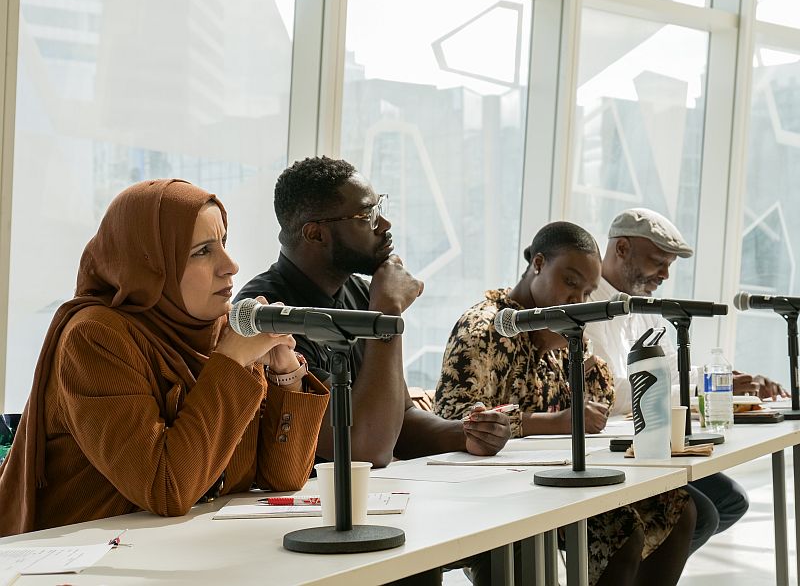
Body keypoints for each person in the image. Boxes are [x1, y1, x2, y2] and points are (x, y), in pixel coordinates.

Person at [0, 179, 329, 537]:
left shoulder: (219, 328)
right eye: (202, 251)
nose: (231, 265)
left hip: (184, 551)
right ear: (152, 264)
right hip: (87, 565)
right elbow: (167, 486)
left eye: (223, 243)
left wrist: (286, 374)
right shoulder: (95, 337)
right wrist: (231, 361)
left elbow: (284, 477)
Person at [435, 221, 695, 586]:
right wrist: (554, 421)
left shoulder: (562, 327)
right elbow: (456, 421)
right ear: (538, 264)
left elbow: (601, 400)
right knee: (623, 531)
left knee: (677, 509)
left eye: (587, 292)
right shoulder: (485, 326)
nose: (577, 300)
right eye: (570, 283)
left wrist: (578, 361)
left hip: (553, 483)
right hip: (493, 489)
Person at [235, 156, 511, 469]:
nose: (384, 225)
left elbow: (401, 419)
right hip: (290, 508)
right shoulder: (267, 314)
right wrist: (388, 311)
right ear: (315, 234)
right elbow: (364, 447)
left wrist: (466, 434)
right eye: (367, 215)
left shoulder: (361, 292)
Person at [584, 207, 751, 554]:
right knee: (701, 515)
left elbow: (671, 375)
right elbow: (609, 396)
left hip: (651, 444)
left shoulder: (644, 307)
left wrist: (712, 382)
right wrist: (695, 388)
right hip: (610, 451)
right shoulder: (585, 304)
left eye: (670, 265)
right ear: (622, 249)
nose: (665, 275)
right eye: (659, 261)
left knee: (731, 501)